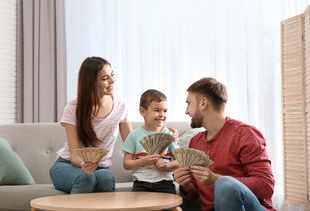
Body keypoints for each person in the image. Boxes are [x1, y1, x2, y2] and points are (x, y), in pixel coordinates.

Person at [50, 56, 179, 194]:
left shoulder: (120, 106)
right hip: (68, 165)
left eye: (112, 75)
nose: (112, 81)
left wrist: (166, 136)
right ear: (90, 82)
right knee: (85, 178)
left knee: (106, 179)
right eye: (105, 78)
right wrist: (84, 165)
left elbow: (135, 142)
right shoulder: (72, 108)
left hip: (100, 168)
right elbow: (75, 156)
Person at [173, 77, 275, 211]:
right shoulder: (195, 141)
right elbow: (192, 198)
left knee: (225, 184)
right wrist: (185, 185)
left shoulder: (245, 134)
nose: (186, 111)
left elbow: (266, 186)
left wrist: (216, 179)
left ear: (203, 103)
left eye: (188, 104)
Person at [122, 89, 180, 194]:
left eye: (165, 110)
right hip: (141, 183)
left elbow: (180, 161)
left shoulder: (170, 135)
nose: (162, 114)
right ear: (142, 111)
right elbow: (126, 164)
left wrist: (166, 166)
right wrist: (143, 161)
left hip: (165, 182)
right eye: (157, 110)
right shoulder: (134, 135)